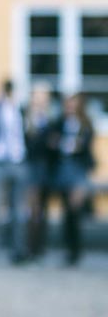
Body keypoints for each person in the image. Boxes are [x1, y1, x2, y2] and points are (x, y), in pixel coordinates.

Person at [46, 93, 95, 266]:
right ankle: (69, 249)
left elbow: (84, 148)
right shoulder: (59, 123)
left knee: (75, 210)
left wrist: (67, 145)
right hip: (62, 171)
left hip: (77, 171)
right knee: (66, 211)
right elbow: (52, 143)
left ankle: (76, 250)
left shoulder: (85, 124)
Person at [0, 79, 29, 263]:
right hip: (0, 161)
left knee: (18, 209)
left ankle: (18, 250)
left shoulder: (21, 110)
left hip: (18, 161)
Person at [24, 83, 56, 257]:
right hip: (32, 167)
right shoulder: (27, 118)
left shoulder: (50, 119)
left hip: (46, 168)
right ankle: (31, 245)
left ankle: (40, 245)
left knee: (43, 208)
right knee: (33, 207)